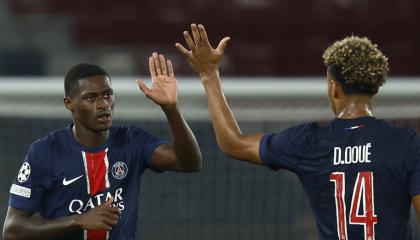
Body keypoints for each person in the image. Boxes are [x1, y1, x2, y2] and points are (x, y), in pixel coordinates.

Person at [175, 23, 420, 239]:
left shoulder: (310, 141)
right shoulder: (408, 144)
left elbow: (232, 143)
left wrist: (209, 75)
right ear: (375, 88)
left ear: (333, 88)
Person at [2, 52, 202, 240]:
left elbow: (190, 163)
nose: (103, 104)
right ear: (69, 104)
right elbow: (12, 230)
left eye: (107, 95)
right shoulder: (45, 151)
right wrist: (78, 220)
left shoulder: (132, 140)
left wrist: (171, 108)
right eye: (91, 97)